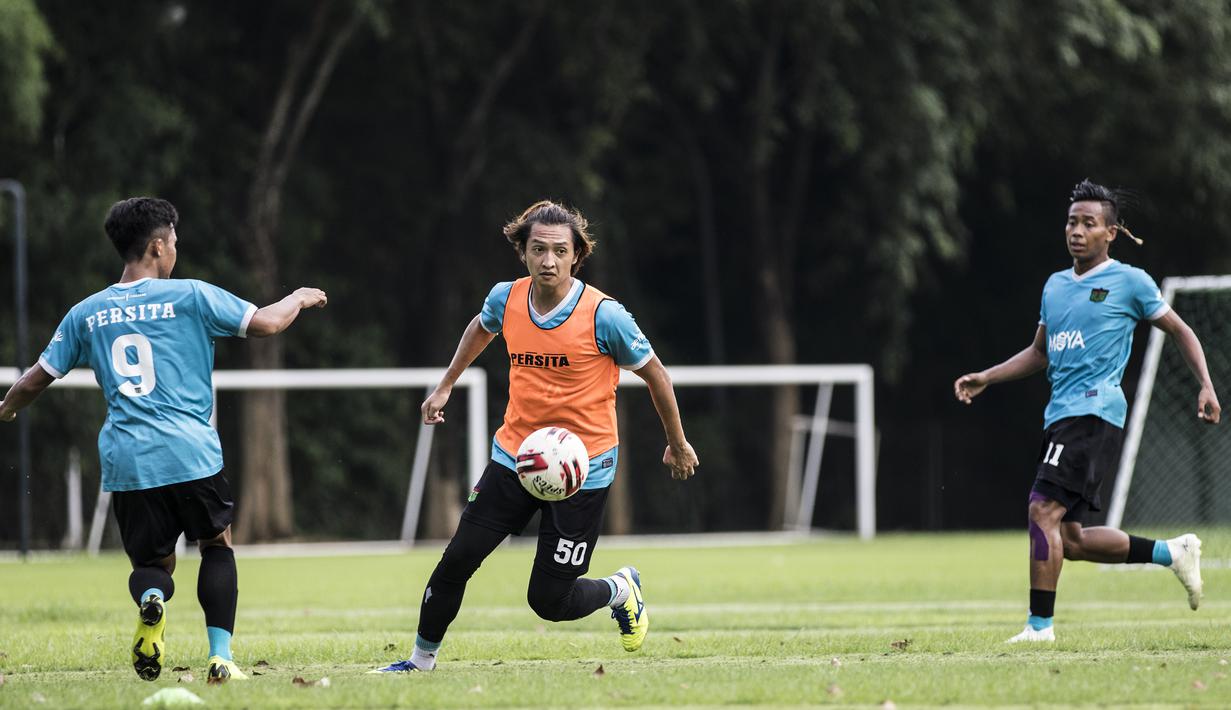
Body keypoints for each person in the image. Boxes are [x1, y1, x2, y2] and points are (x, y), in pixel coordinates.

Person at [0, 197, 327, 681]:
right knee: (216, 546)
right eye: (174, 241)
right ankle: (220, 658)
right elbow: (267, 323)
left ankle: (152, 600)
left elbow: (34, 380)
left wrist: (4, 408)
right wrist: (298, 297)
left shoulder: (86, 313)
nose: (176, 249)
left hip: (128, 459)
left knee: (152, 564)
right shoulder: (191, 295)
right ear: (157, 246)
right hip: (191, 452)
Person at [373, 200, 699, 673]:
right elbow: (480, 329)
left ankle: (620, 590)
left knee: (549, 601)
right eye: (538, 249)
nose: (548, 260)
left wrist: (678, 442)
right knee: (456, 560)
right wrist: (445, 384)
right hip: (516, 459)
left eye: (559, 251)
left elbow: (657, 376)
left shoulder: (604, 315)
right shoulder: (505, 298)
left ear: (576, 255)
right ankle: (420, 663)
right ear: (522, 252)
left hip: (583, 471)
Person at [953, 179, 1221, 643]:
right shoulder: (1055, 286)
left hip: (1094, 414)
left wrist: (1206, 385)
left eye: (1089, 223)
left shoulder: (1130, 282)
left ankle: (1040, 628)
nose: (1077, 231)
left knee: (1041, 511)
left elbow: (1181, 331)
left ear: (1110, 233)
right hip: (1061, 415)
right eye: (1072, 222)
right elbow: (1040, 353)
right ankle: (1172, 553)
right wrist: (988, 377)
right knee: (1072, 539)